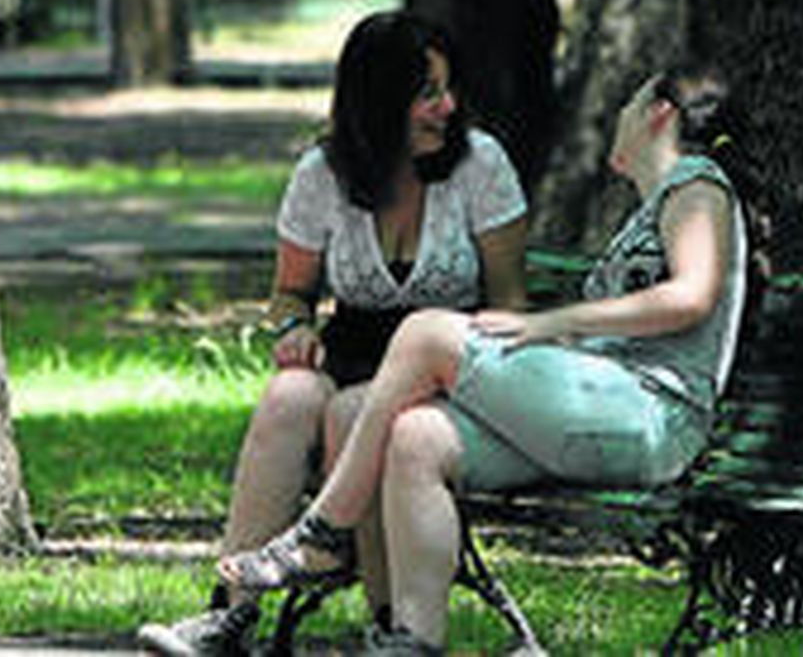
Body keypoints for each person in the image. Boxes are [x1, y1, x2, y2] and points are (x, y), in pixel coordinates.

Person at [217, 67, 763, 654]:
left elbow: (691, 296)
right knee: (416, 436)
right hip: (607, 410)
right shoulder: (660, 202)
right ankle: (413, 640)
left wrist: (553, 323)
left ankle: (324, 531)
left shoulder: (698, 184)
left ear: (660, 114)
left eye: (630, 102)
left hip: (652, 417)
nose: (618, 115)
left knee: (425, 333)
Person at [137, 10, 532, 656]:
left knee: (354, 411)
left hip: (449, 374)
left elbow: (511, 302)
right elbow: (290, 293)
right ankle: (226, 615)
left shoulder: (480, 165)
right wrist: (294, 328)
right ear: (379, 99)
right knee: (289, 395)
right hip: (350, 352)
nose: (448, 106)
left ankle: (388, 622)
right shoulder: (322, 175)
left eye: (449, 88)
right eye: (428, 92)